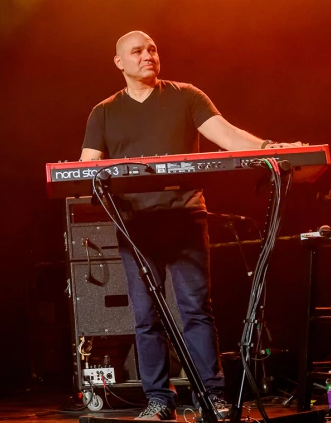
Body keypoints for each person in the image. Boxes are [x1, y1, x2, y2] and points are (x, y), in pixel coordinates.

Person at [80, 31, 299, 421]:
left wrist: (271, 149)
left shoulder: (186, 96)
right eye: (137, 51)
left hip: (184, 215)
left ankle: (211, 398)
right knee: (146, 316)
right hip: (135, 225)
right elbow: (87, 167)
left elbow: (228, 136)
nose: (148, 55)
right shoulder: (104, 111)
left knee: (196, 309)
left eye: (152, 49)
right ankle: (159, 401)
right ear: (119, 63)